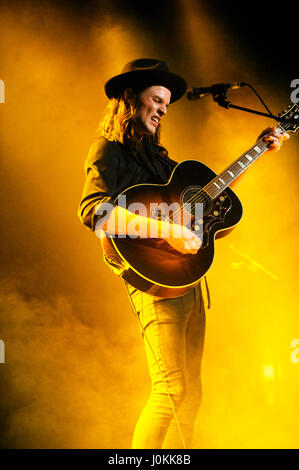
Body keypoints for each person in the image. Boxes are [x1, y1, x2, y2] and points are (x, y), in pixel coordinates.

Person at [78, 59, 289, 449]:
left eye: (166, 104)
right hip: (154, 283)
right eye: (156, 99)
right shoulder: (107, 149)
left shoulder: (160, 160)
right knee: (170, 391)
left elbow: (210, 192)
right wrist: (167, 230)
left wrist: (259, 149)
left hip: (188, 280)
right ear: (130, 98)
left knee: (192, 395)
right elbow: (95, 212)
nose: (162, 109)